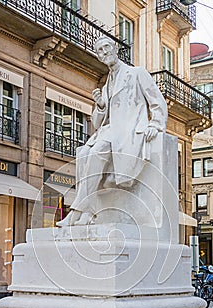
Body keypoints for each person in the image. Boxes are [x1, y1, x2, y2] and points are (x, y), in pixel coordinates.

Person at [57, 36, 168, 227]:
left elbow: (157, 101)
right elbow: (98, 122)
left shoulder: (136, 73)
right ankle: (88, 213)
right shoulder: (107, 83)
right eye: (100, 50)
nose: (104, 52)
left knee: (96, 151)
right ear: (99, 57)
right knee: (84, 153)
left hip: (128, 131)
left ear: (116, 48)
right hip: (109, 131)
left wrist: (155, 124)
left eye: (107, 47)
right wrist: (100, 105)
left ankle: (76, 212)